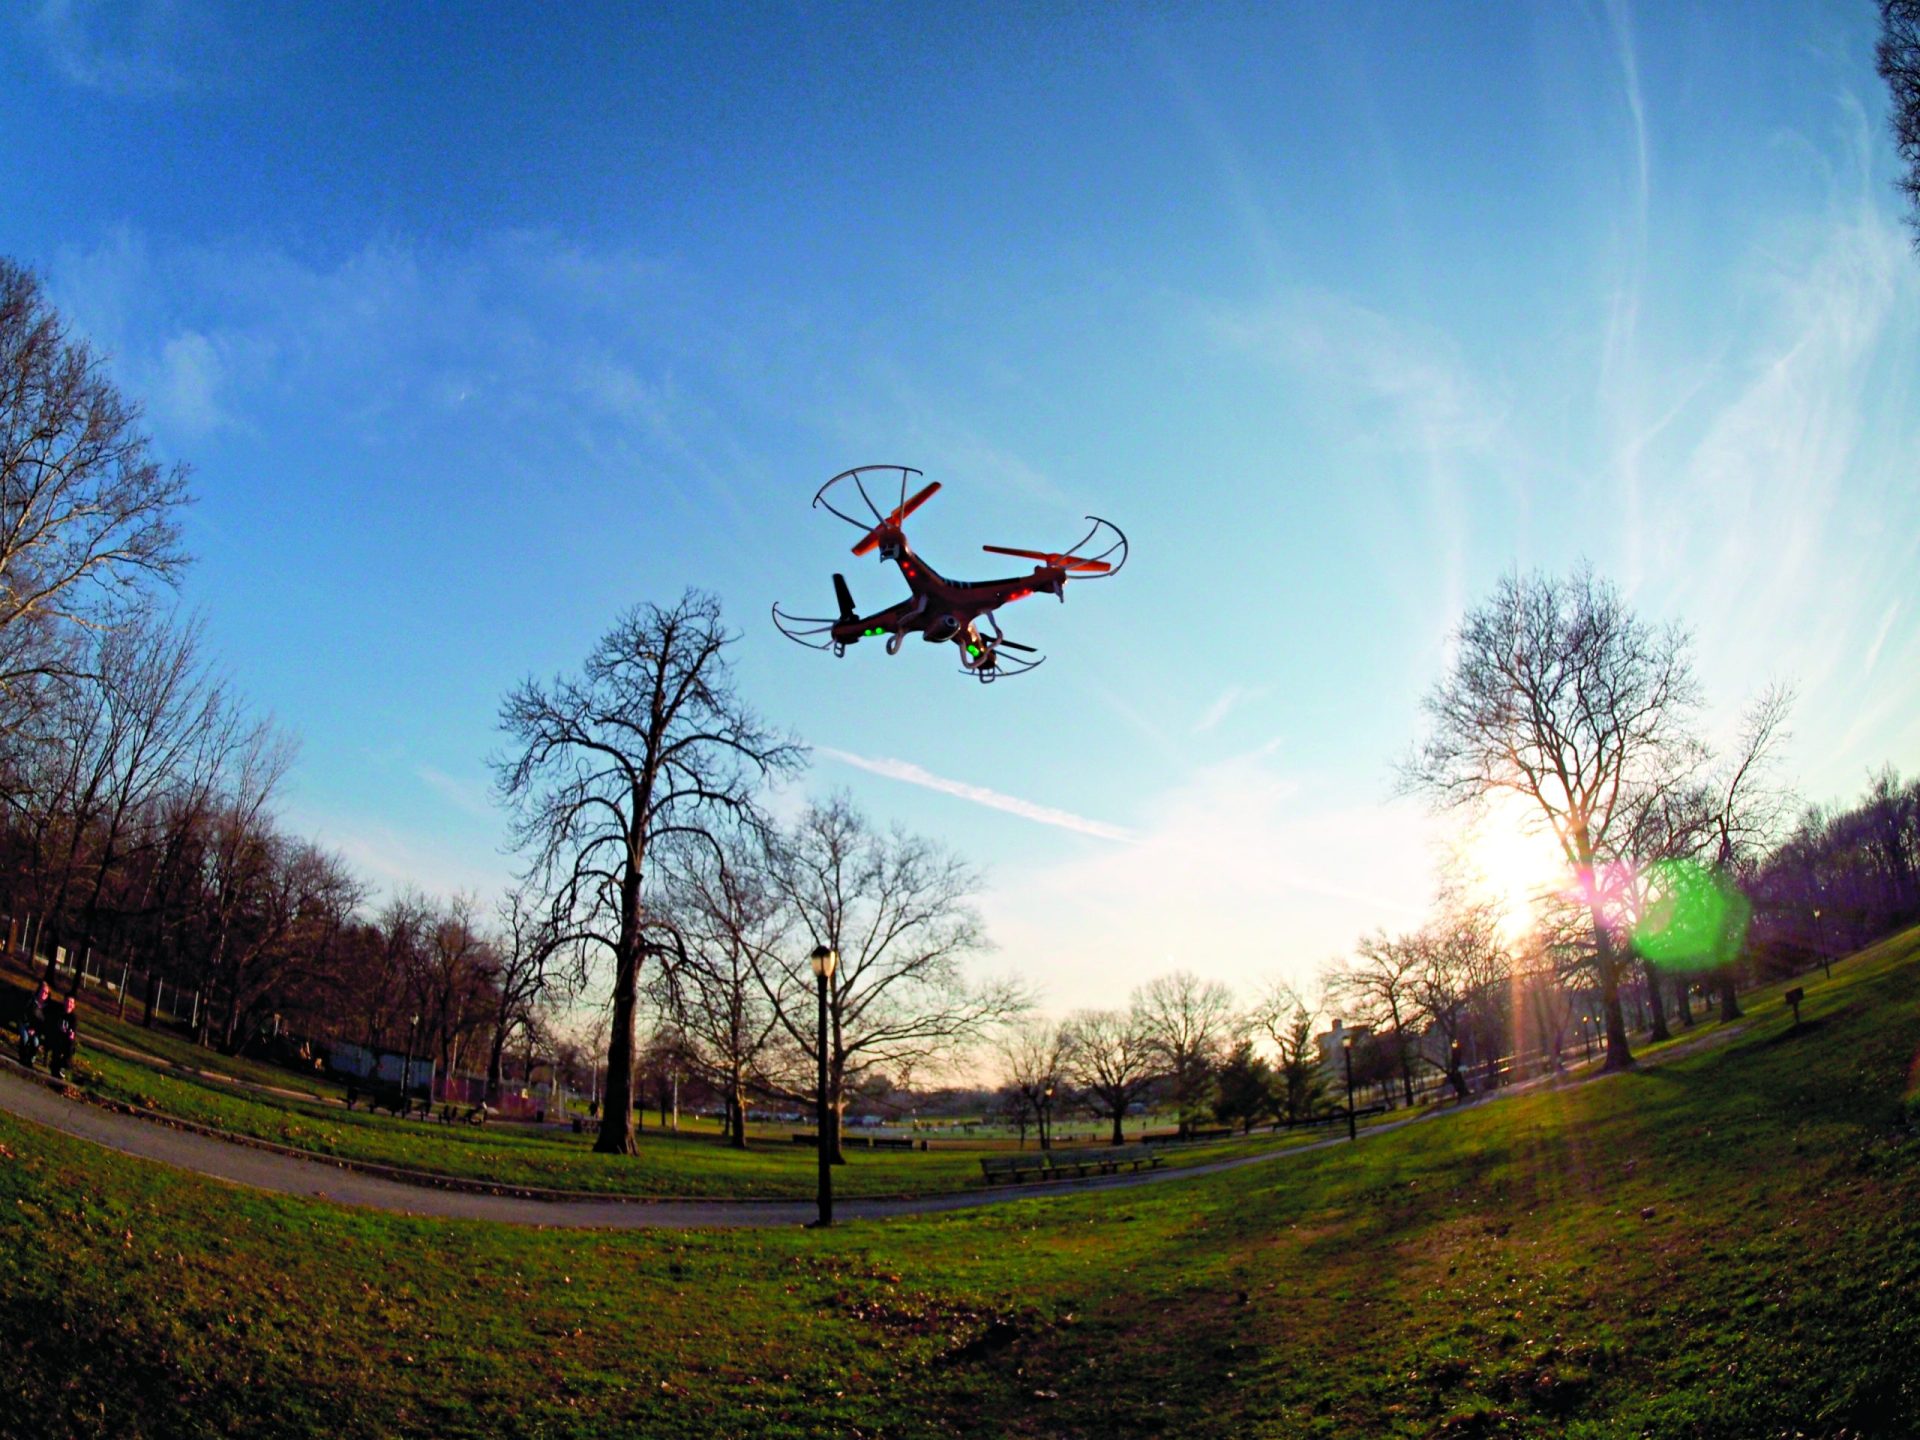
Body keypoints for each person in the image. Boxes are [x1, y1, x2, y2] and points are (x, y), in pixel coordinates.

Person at [46, 995, 78, 1079]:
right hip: (56, 1038)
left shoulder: (73, 1018)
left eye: (71, 1002)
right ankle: (55, 1067)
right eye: (67, 1001)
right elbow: (53, 1026)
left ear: (73, 1005)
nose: (69, 1004)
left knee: (70, 1047)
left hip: (66, 1041)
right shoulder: (59, 1013)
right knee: (57, 1046)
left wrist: (71, 1035)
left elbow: (72, 1032)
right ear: (64, 1002)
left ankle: (62, 1066)